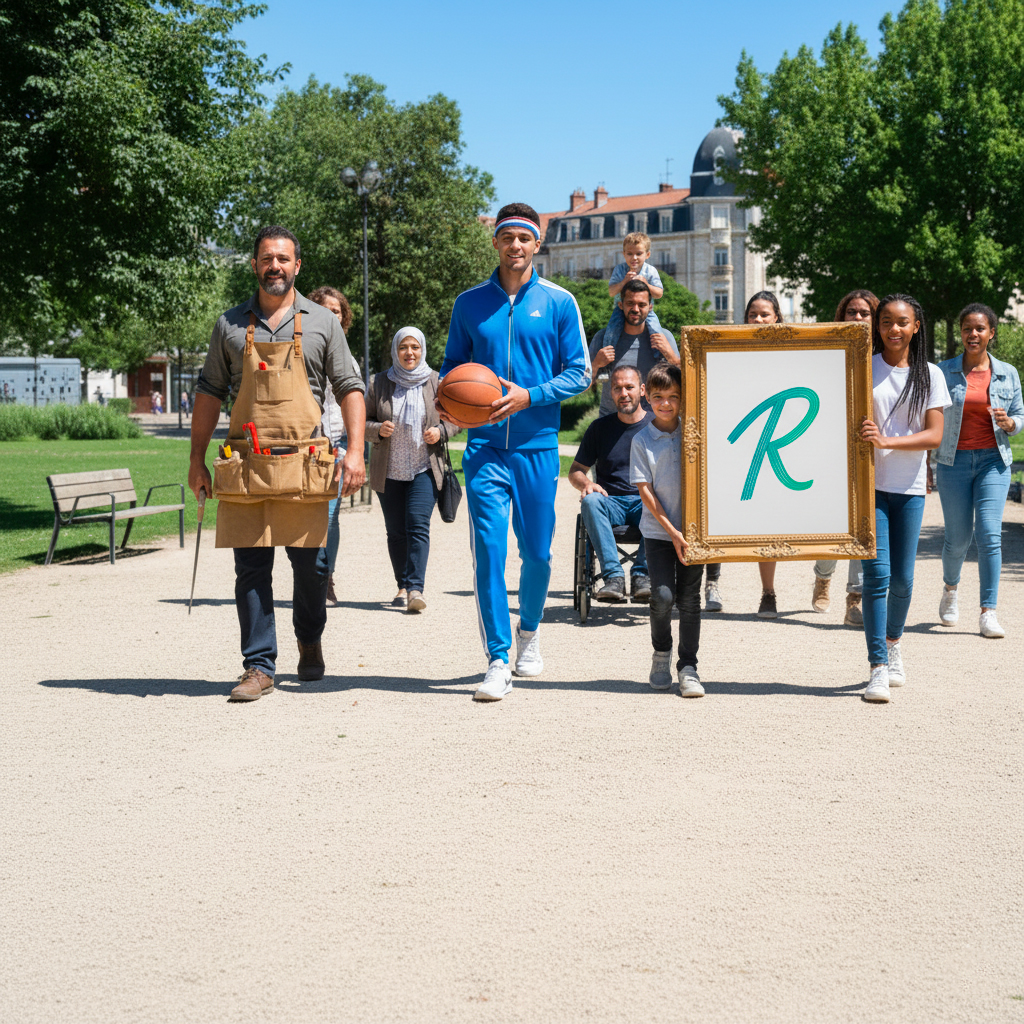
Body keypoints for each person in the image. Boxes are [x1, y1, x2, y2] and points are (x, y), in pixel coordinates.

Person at [188, 225, 366, 701]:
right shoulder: (229, 324)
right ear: (255, 265)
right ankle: (259, 666)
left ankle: (309, 638)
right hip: (245, 465)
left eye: (283, 259)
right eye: (267, 258)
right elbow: (208, 392)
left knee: (311, 568)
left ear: (297, 266)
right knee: (250, 568)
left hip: (305, 464)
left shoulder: (323, 323)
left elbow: (350, 386)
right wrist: (196, 459)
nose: (275, 267)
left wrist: (355, 451)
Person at [439, 202, 591, 701]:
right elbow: (449, 373)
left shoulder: (560, 302)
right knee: (488, 551)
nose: (516, 246)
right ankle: (498, 659)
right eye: (507, 238)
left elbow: (581, 372)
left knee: (539, 554)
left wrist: (530, 395)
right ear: (496, 243)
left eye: (524, 238)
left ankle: (530, 629)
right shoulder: (469, 303)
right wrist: (449, 405)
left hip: (536, 446)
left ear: (536, 244)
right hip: (482, 447)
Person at [859, 294, 950, 703]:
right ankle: (877, 665)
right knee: (876, 578)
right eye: (885, 322)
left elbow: (935, 435)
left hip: (910, 488)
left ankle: (894, 642)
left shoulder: (930, 375)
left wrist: (887, 441)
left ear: (916, 326)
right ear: (877, 327)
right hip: (868, 487)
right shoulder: (861, 367)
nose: (893, 329)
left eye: (901, 322)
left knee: (903, 580)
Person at [935, 303, 1023, 639]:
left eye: (980, 329)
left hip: (993, 461)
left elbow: (1020, 414)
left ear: (991, 333)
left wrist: (1011, 423)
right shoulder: (943, 371)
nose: (973, 334)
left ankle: (988, 611)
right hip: (953, 461)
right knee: (957, 539)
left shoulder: (1007, 372)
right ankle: (950, 589)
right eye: (967, 329)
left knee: (989, 534)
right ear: (960, 333)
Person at [366, 327, 460, 613]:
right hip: (389, 469)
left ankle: (416, 588)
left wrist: (441, 431)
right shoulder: (378, 383)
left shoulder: (437, 382)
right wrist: (377, 429)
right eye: (404, 347)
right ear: (396, 350)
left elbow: (456, 418)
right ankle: (403, 585)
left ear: (422, 350)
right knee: (396, 531)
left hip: (424, 468)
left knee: (417, 525)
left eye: (415, 347)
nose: (409, 353)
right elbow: (362, 422)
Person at [630, 361, 705, 697]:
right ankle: (662, 652)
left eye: (673, 396)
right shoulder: (641, 440)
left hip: (694, 533)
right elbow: (646, 493)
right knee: (662, 597)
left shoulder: (696, 433)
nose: (666, 403)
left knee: (690, 601)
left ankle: (688, 666)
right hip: (660, 533)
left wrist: (688, 532)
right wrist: (672, 532)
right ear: (647, 398)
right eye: (658, 396)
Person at [810, 289, 878, 624]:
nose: (858, 318)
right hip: (832, 450)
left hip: (870, 451)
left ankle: (854, 598)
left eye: (865, 313)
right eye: (852, 311)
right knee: (832, 523)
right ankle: (823, 576)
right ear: (841, 315)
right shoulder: (825, 352)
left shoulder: (884, 358)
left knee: (863, 527)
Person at [567, 364, 652, 603]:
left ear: (642, 390)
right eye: (617, 388)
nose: (624, 393)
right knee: (590, 501)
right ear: (611, 393)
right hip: (609, 501)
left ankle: (642, 575)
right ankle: (614, 577)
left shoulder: (657, 426)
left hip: (645, 502)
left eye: (629, 387)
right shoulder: (599, 429)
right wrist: (585, 483)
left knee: (662, 501)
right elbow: (575, 471)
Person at [308, 285, 355, 606]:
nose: (332, 316)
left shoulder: (348, 357)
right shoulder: (303, 348)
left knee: (329, 515)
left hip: (336, 442)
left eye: (336, 311)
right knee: (310, 514)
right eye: (325, 310)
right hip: (306, 443)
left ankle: (324, 579)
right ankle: (314, 577)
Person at [589, 278, 679, 416]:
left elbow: (687, 382)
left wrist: (670, 355)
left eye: (641, 304)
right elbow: (582, 386)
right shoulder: (603, 338)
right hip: (611, 425)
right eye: (630, 303)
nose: (635, 309)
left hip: (653, 425)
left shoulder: (664, 337)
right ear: (620, 305)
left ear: (650, 307)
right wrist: (595, 365)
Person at [600, 232, 666, 388]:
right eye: (629, 253)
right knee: (611, 330)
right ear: (624, 254)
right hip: (620, 309)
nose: (634, 257)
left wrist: (646, 284)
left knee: (656, 330)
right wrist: (624, 281)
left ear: (647, 254)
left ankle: (660, 360)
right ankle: (606, 366)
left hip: (646, 311)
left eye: (639, 253)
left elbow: (659, 293)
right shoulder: (620, 270)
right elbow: (611, 292)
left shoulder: (650, 271)